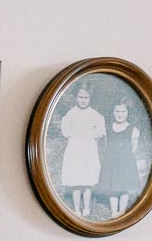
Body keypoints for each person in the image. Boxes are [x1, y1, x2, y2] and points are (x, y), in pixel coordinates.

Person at [60, 86, 105, 218]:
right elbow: (66, 131)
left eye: (86, 98)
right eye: (80, 97)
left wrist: (93, 136)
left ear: (90, 98)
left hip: (89, 149)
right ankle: (76, 209)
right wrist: (74, 136)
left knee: (87, 179)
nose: (83, 101)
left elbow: (100, 131)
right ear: (76, 97)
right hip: (75, 149)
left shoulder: (95, 115)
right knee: (76, 179)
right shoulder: (71, 114)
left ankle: (86, 207)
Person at [97, 101, 142, 218]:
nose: (120, 114)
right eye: (117, 111)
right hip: (111, 160)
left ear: (127, 113)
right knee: (112, 187)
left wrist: (125, 159)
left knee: (123, 186)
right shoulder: (108, 129)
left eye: (123, 111)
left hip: (125, 161)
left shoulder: (133, 130)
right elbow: (107, 146)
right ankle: (114, 211)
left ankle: (121, 211)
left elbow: (134, 149)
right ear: (113, 112)